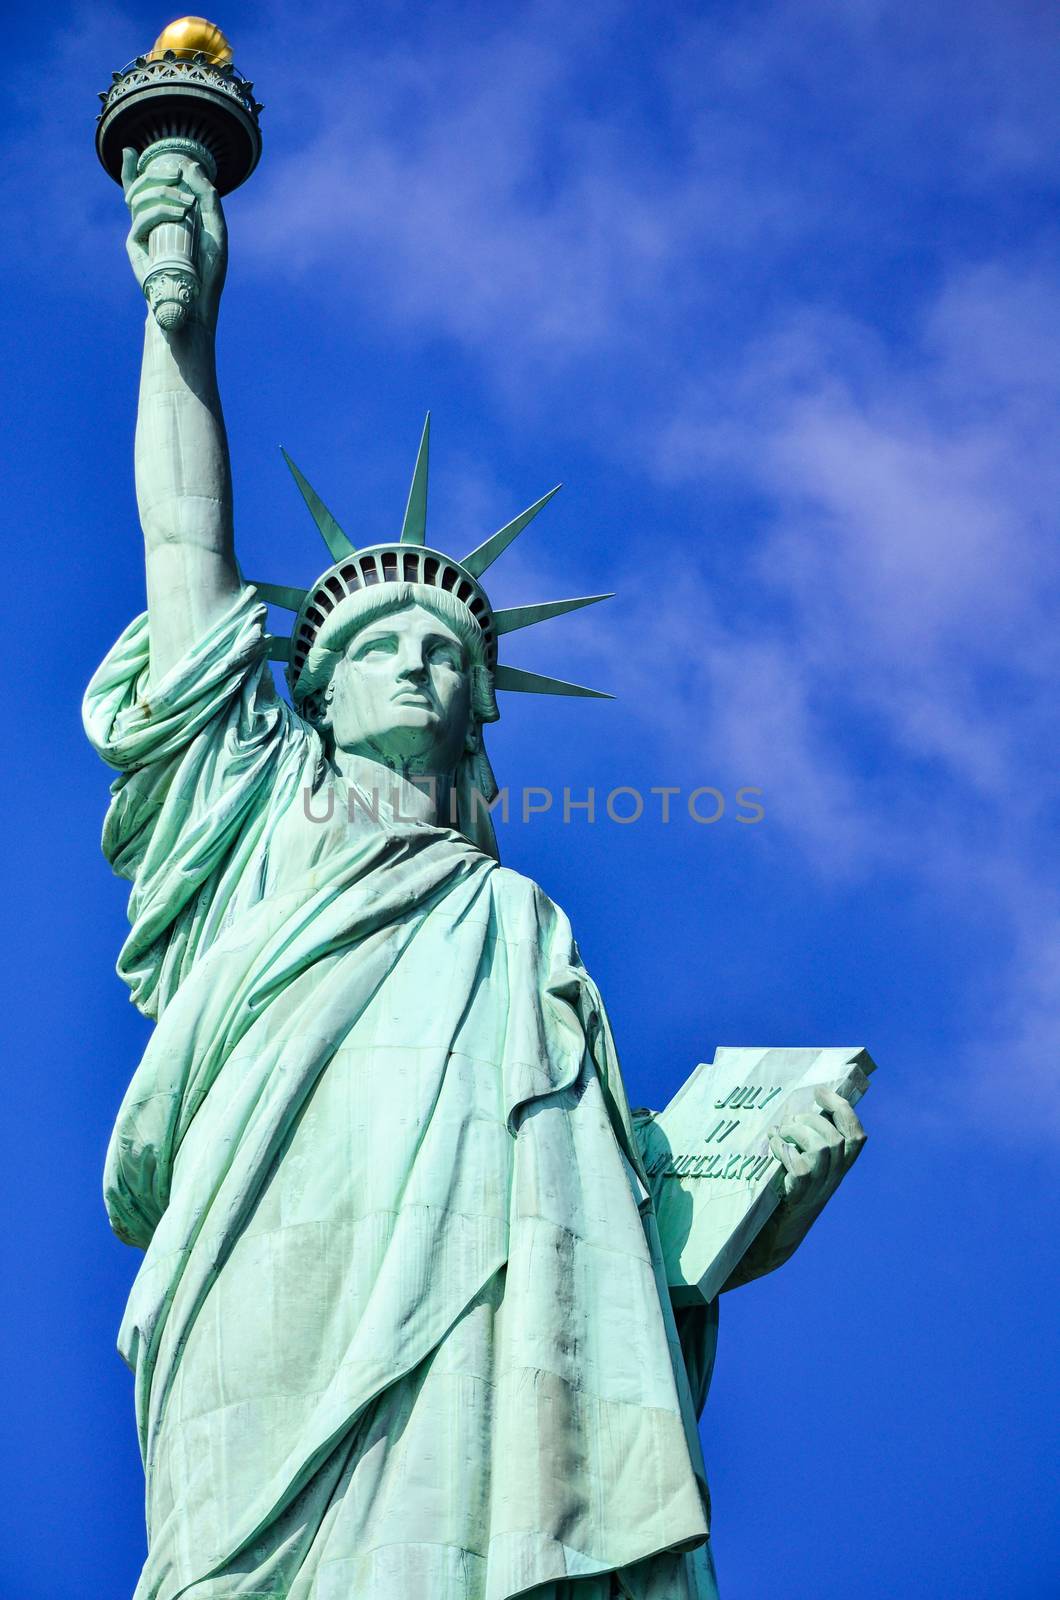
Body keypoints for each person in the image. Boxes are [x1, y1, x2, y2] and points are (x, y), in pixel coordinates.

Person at [83, 149, 865, 1600]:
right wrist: (175, 318)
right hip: (272, 1272)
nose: (429, 662)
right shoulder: (259, 814)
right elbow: (182, 545)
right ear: (313, 687)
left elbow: (616, 1255)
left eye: (451, 652)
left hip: (502, 1357)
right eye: (388, 644)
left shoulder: (516, 932)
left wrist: (752, 1202)